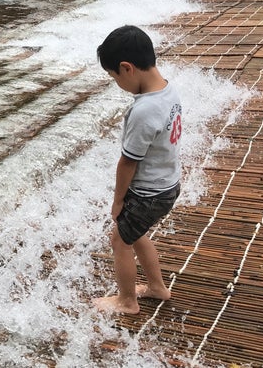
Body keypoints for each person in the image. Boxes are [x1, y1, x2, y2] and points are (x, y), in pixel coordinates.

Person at [93, 25, 182, 315]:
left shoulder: (144, 110)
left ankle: (127, 301)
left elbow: (128, 162)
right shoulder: (168, 89)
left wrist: (118, 201)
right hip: (167, 184)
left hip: (149, 192)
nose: (116, 82)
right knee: (136, 233)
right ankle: (157, 288)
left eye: (114, 77)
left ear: (127, 68)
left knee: (120, 240)